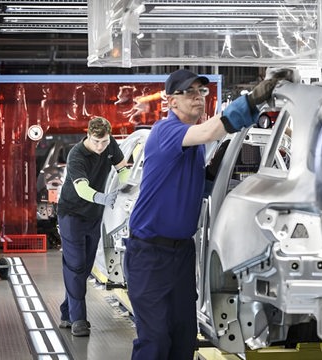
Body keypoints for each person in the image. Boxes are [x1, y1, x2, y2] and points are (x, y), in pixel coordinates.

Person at [124, 68, 284, 359]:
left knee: (185, 336)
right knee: (155, 339)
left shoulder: (195, 146)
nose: (198, 98)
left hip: (181, 253)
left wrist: (211, 176)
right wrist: (255, 99)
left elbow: (191, 189)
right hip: (149, 253)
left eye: (201, 92)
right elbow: (212, 130)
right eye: (190, 93)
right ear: (171, 101)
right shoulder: (165, 131)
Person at [56, 116, 130, 337]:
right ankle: (79, 319)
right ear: (88, 135)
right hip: (71, 214)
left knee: (85, 267)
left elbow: (122, 167)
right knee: (76, 265)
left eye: (104, 142)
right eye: (96, 142)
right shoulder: (76, 155)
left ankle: (67, 312)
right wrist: (103, 198)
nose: (100, 147)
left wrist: (126, 186)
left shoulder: (110, 145)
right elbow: (82, 189)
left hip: (93, 216)